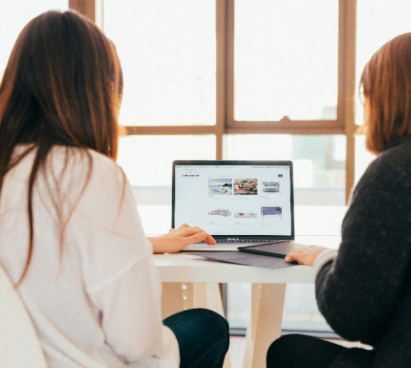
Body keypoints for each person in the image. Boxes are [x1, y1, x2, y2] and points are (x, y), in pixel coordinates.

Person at [0, 10, 229, 368]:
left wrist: (146, 242)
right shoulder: (92, 174)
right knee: (208, 326)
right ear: (96, 93)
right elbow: (137, 342)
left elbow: (42, 246)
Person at [266, 32, 411, 368]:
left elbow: (351, 316)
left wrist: (325, 260)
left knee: (286, 353)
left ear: (384, 98)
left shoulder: (393, 172)